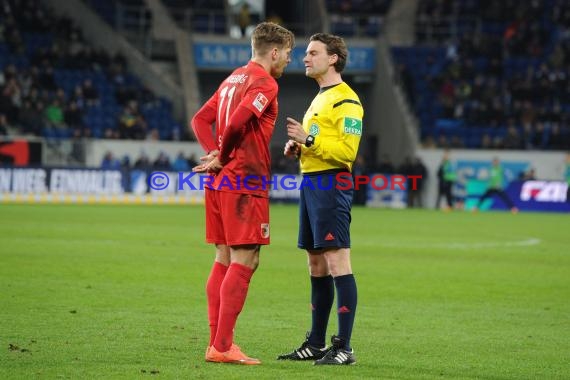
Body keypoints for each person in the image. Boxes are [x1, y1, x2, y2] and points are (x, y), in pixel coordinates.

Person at [190, 22, 294, 365]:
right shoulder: (265, 82)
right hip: (244, 181)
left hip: (220, 182)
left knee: (223, 258)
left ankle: (215, 344)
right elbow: (235, 123)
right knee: (246, 259)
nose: (289, 62)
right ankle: (222, 346)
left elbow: (200, 120)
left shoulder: (232, 78)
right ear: (274, 51)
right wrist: (220, 155)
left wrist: (213, 154)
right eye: (289, 54)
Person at [277, 33, 363, 365]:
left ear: (333, 59)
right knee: (315, 264)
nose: (304, 58)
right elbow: (316, 143)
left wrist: (308, 138)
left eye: (313, 53)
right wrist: (299, 147)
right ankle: (315, 342)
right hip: (311, 182)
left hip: (332, 184)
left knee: (338, 262)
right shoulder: (319, 99)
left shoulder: (347, 100)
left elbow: (347, 152)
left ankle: (343, 347)